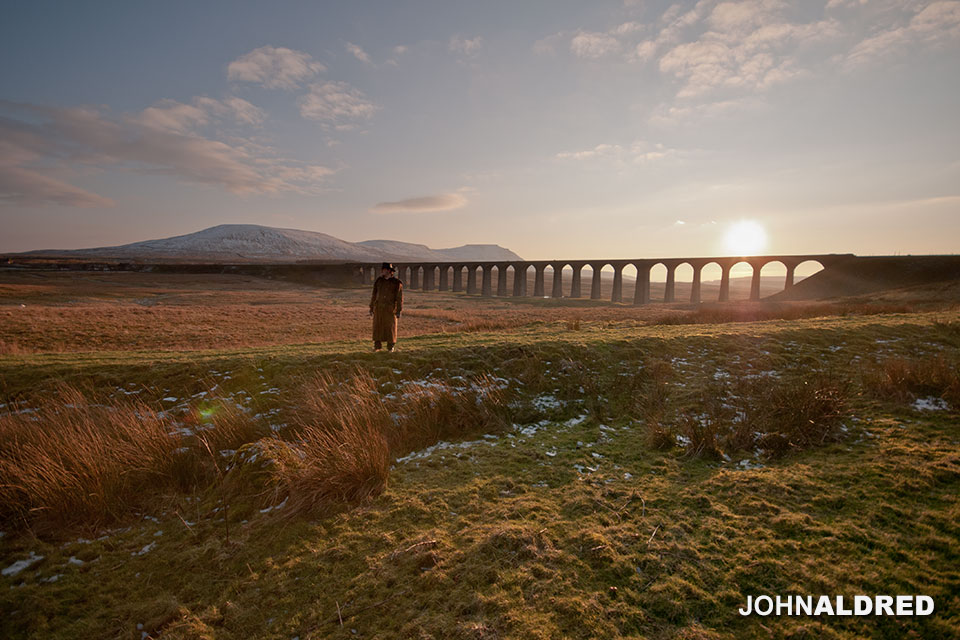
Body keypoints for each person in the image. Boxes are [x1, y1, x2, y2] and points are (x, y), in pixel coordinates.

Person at [369, 262, 403, 352]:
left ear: (389, 271)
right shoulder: (379, 281)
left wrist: (399, 310)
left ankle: (390, 347)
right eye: (382, 269)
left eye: (384, 269)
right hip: (379, 308)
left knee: (390, 327)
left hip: (390, 308)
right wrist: (371, 307)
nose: (382, 271)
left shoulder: (396, 283)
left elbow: (399, 298)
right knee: (377, 327)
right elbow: (374, 294)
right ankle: (377, 346)